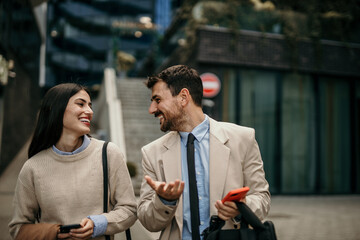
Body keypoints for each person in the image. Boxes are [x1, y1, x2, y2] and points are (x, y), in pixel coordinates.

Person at [137, 65, 270, 240]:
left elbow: (262, 198)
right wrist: (164, 201)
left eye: (157, 100)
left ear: (183, 97)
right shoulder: (151, 153)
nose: (152, 109)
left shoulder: (243, 138)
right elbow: (148, 221)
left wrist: (242, 208)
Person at [9, 83, 137, 240]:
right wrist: (55, 232)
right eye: (80, 104)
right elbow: (18, 228)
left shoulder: (109, 153)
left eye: (90, 105)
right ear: (55, 109)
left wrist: (98, 224)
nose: (89, 111)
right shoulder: (32, 167)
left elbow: (129, 210)